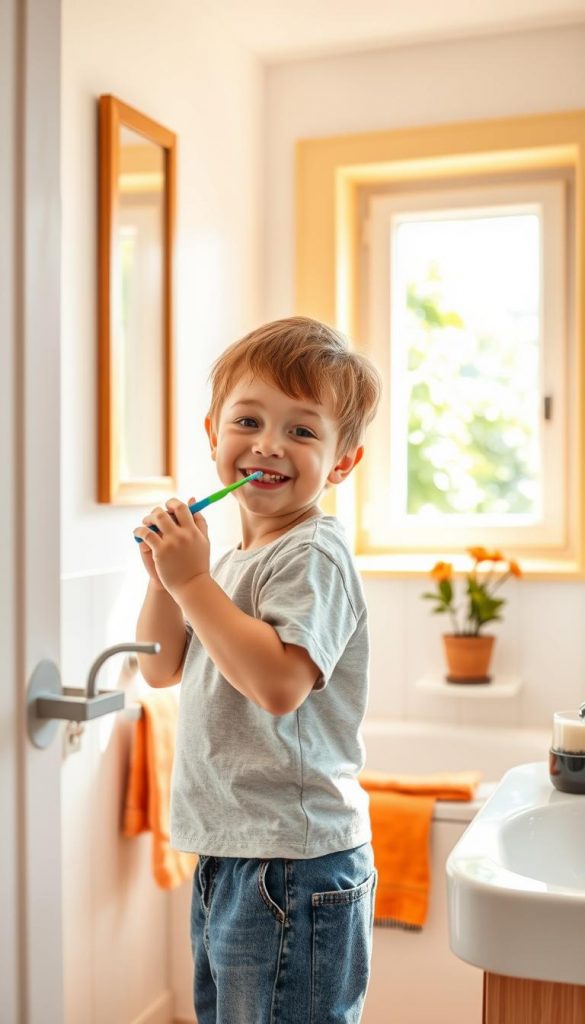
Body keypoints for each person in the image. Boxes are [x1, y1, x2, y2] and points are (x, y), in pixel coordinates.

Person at [134, 315, 382, 1024]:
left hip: (293, 863)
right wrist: (164, 576)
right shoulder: (231, 558)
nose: (268, 444)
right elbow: (159, 669)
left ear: (340, 462)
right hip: (233, 850)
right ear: (213, 432)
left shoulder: (312, 553)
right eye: (248, 420)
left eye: (302, 431)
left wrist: (191, 585)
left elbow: (278, 686)